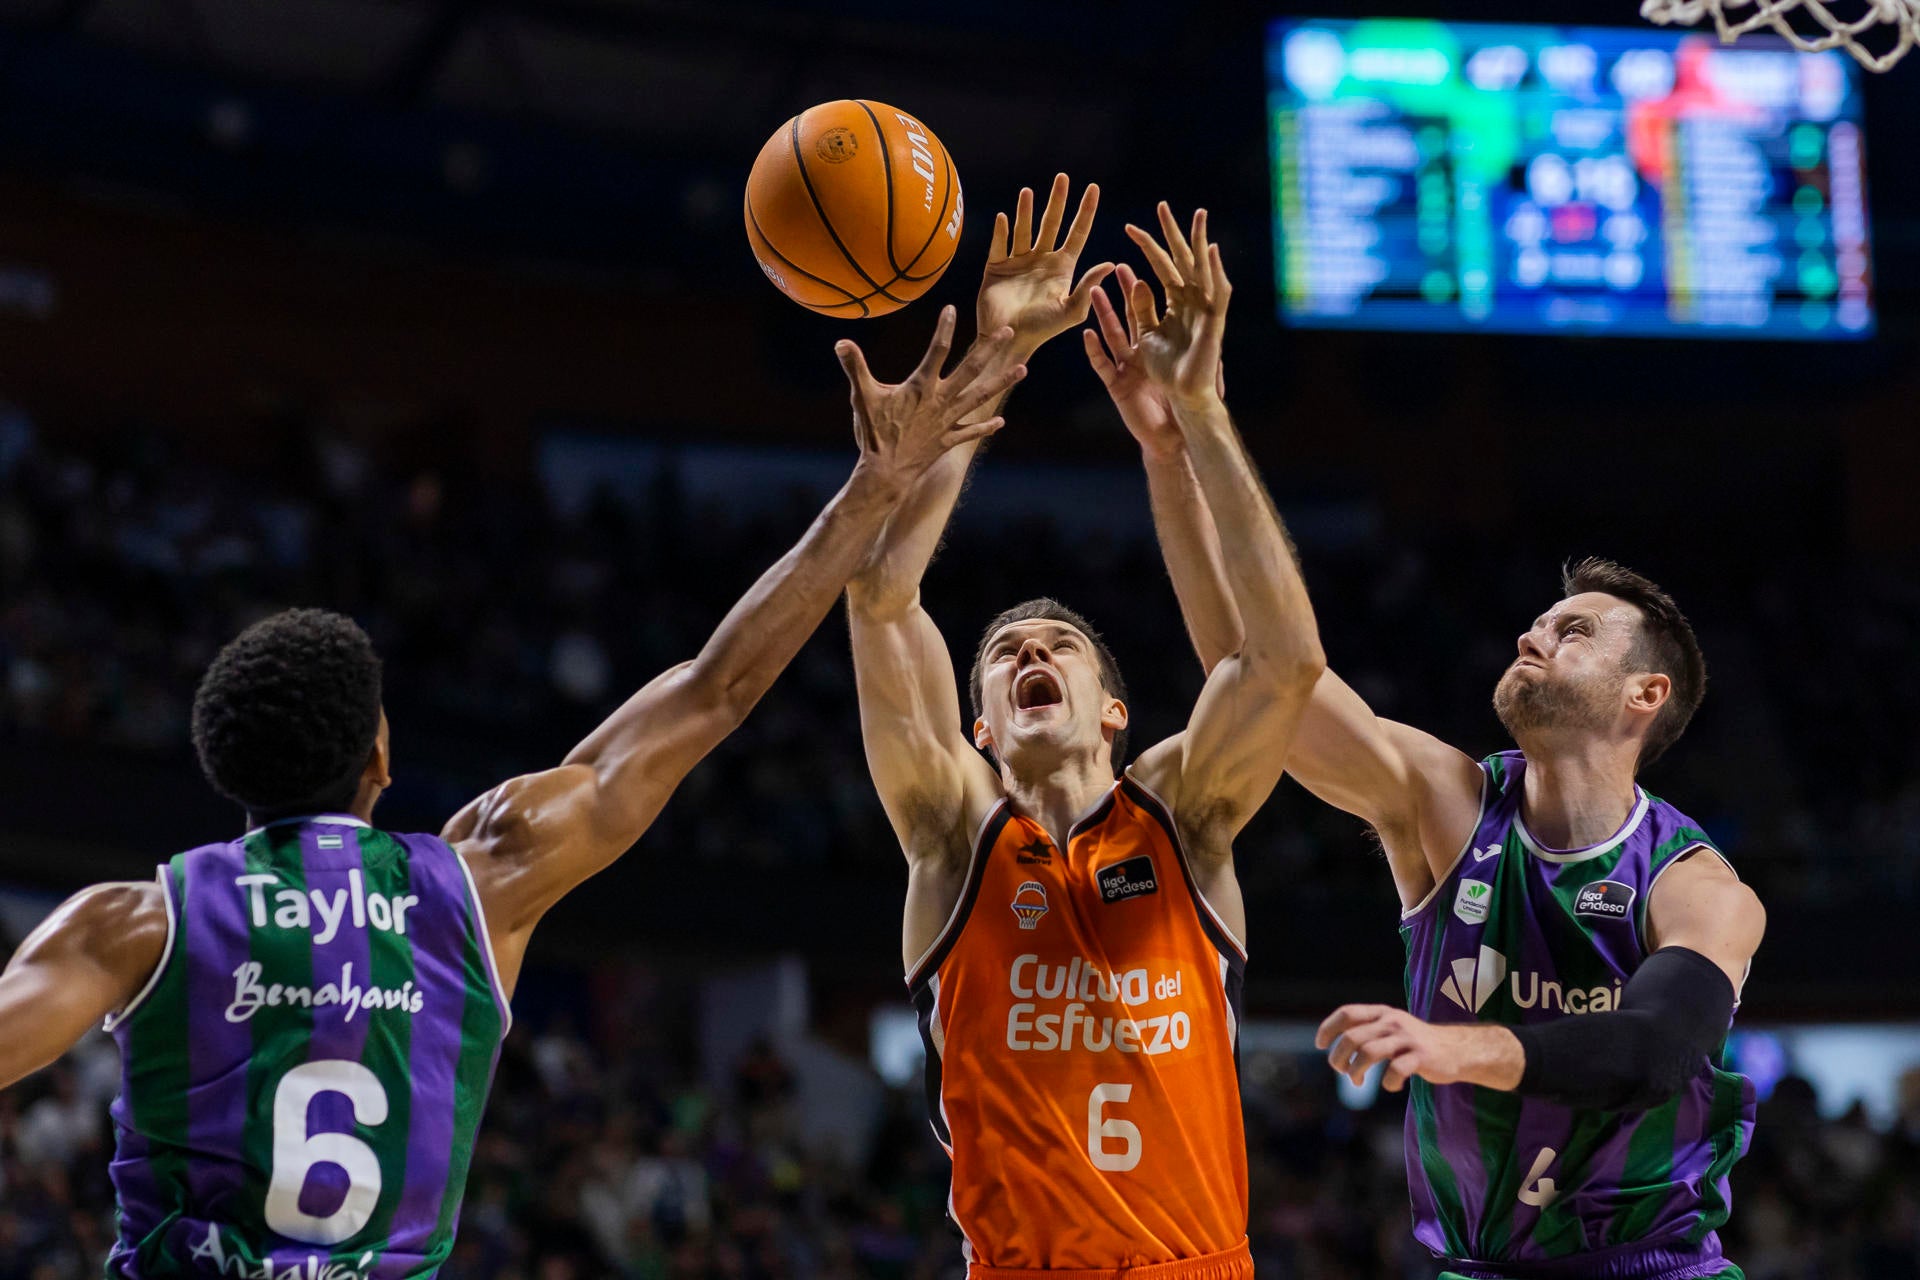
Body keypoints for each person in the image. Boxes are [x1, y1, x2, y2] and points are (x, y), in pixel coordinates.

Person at [0, 309, 1023, 1280]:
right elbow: (718, 687)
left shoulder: (133, 923)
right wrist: (874, 484)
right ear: (380, 759)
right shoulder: (481, 878)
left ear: (227, 769)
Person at [1087, 261, 1765, 1279]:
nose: (1534, 637)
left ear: (1645, 696)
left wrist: (1460, 1049)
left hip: (1657, 1265)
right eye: (1536, 623)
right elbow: (1263, 670)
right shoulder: (1445, 802)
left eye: (1572, 632)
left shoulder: (1698, 887)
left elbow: (1654, 1050)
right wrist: (1180, 439)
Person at [848, 187, 1325, 1278]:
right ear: (978, 724)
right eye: (1006, 653)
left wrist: (1198, 417)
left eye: (1057, 644)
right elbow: (881, 598)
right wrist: (997, 356)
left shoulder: (1182, 815)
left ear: (1116, 708)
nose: (1029, 654)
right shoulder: (950, 831)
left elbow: (1286, 661)